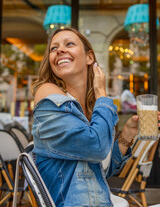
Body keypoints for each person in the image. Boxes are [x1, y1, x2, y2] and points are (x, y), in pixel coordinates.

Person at [31, 27, 139, 207]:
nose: (60, 50)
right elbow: (95, 147)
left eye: (69, 44)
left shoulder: (90, 109)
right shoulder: (47, 94)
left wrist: (127, 134)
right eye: (53, 48)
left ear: (90, 57)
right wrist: (102, 95)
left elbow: (100, 168)